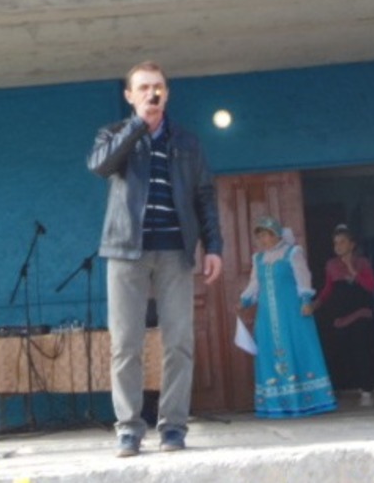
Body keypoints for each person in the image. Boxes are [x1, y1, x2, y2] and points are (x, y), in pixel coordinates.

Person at [87, 60, 223, 458]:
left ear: (167, 93)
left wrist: (214, 247)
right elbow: (100, 166)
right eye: (143, 87)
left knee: (178, 342)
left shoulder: (188, 143)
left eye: (158, 86)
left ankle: (173, 428)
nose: (152, 93)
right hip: (125, 250)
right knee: (125, 344)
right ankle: (129, 430)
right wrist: (137, 126)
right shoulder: (114, 134)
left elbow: (204, 196)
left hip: (175, 251)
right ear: (130, 95)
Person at [238, 216, 336, 418]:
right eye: (260, 237)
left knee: (296, 348)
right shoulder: (258, 259)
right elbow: (255, 284)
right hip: (267, 316)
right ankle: (276, 404)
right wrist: (245, 300)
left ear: (276, 235)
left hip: (292, 314)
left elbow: (303, 277)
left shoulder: (292, 253)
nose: (263, 240)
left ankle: (306, 401)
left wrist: (306, 300)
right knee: (269, 352)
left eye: (266, 235)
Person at [304, 224, 374, 406]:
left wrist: (352, 270)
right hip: (341, 314)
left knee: (362, 351)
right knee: (339, 351)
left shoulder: (362, 262)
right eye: (335, 243)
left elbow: (371, 286)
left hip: (360, 312)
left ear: (352, 244)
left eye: (342, 242)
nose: (338, 246)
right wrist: (315, 304)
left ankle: (366, 392)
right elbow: (328, 289)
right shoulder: (331, 265)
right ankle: (336, 389)